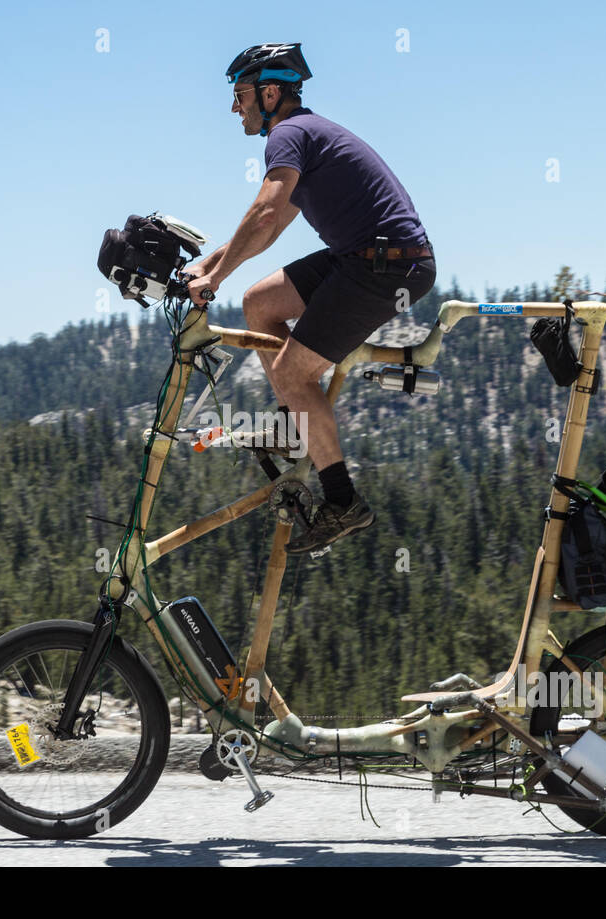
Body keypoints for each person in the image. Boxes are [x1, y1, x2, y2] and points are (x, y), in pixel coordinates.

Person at [185, 42, 437, 554]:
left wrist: (213, 280)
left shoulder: (288, 135)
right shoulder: (306, 135)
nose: (236, 108)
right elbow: (269, 225)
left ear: (270, 92)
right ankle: (294, 422)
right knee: (260, 304)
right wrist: (208, 266)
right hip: (367, 256)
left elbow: (264, 214)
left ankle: (342, 500)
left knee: (295, 373)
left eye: (240, 95)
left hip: (385, 265)